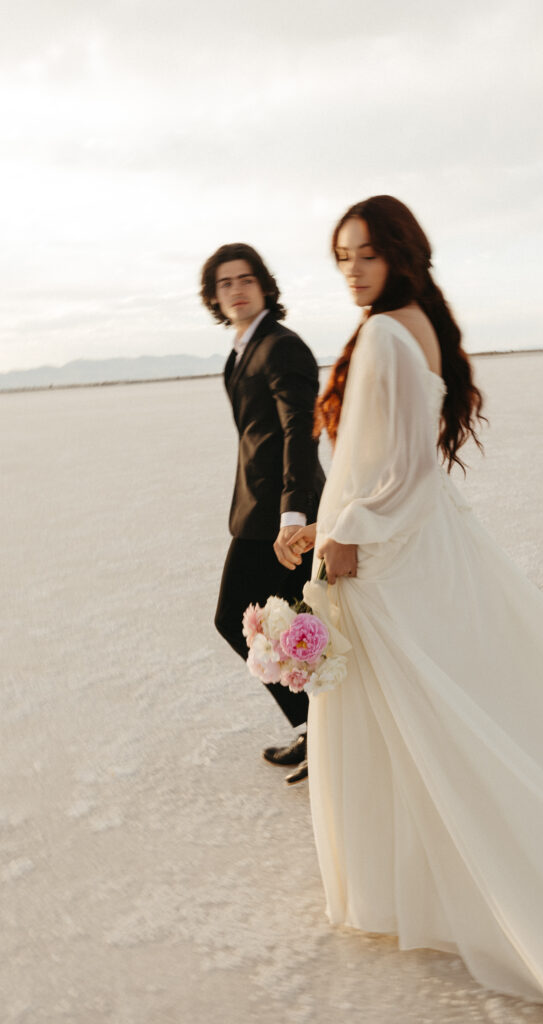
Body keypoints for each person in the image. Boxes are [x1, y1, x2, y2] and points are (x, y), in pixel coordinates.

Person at [277, 196, 543, 1020]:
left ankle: (446, 887)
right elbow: (394, 469)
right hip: (408, 543)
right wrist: (332, 522)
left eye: (364, 254)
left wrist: (342, 536)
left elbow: (397, 472)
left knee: (436, 715)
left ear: (399, 254)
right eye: (342, 257)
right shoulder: (416, 322)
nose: (352, 270)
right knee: (451, 707)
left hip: (385, 558)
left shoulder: (389, 332)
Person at [200, 242, 325, 785]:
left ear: (264, 285)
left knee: (261, 621)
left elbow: (303, 427)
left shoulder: (280, 346)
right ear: (214, 296)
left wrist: (293, 513)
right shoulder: (242, 349)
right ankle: (320, 731)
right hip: (257, 513)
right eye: (225, 283)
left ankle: (325, 734)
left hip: (284, 518)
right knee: (286, 626)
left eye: (245, 278)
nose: (236, 289)